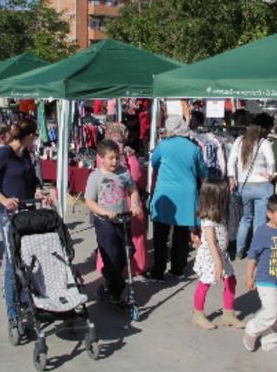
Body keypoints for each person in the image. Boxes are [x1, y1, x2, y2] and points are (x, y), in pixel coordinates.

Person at [0, 118, 50, 332]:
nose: (35, 140)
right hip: (8, 214)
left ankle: (28, 300)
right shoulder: (4, 153)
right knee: (12, 261)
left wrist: (38, 192)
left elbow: (30, 180)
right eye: (34, 136)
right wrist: (2, 199)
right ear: (27, 136)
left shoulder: (25, 154)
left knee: (29, 257)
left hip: (27, 211)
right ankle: (13, 312)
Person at [146, 116, 208, 282]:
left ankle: (157, 272)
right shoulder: (194, 148)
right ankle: (177, 269)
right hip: (186, 195)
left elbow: (154, 162)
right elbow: (202, 171)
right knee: (180, 235)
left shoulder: (163, 145)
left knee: (160, 236)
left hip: (165, 194)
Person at [85, 139, 142, 303]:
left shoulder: (124, 173)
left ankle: (111, 284)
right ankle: (116, 289)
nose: (115, 161)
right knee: (111, 256)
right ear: (101, 158)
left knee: (127, 252)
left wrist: (135, 204)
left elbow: (133, 191)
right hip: (105, 222)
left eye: (117, 158)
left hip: (123, 218)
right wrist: (105, 212)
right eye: (111, 158)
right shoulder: (95, 177)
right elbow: (89, 201)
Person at [243, 194, 277, 355]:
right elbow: (252, 255)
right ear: (270, 214)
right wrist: (249, 276)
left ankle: (270, 342)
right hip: (266, 279)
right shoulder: (262, 232)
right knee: (271, 312)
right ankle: (252, 329)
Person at [191, 178, 244, 330]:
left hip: (221, 254)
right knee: (205, 283)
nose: (227, 198)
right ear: (215, 199)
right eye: (224, 196)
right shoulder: (208, 220)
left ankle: (228, 314)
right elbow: (211, 242)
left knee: (231, 281)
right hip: (211, 257)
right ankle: (198, 314)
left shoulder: (219, 215)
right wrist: (218, 263)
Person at [227, 119, 275, 259]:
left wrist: (232, 177)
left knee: (245, 218)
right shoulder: (263, 143)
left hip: (244, 185)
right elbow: (271, 161)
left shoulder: (239, 141)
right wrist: (270, 174)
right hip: (262, 184)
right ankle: (255, 252)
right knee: (260, 221)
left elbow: (231, 161)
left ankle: (239, 250)